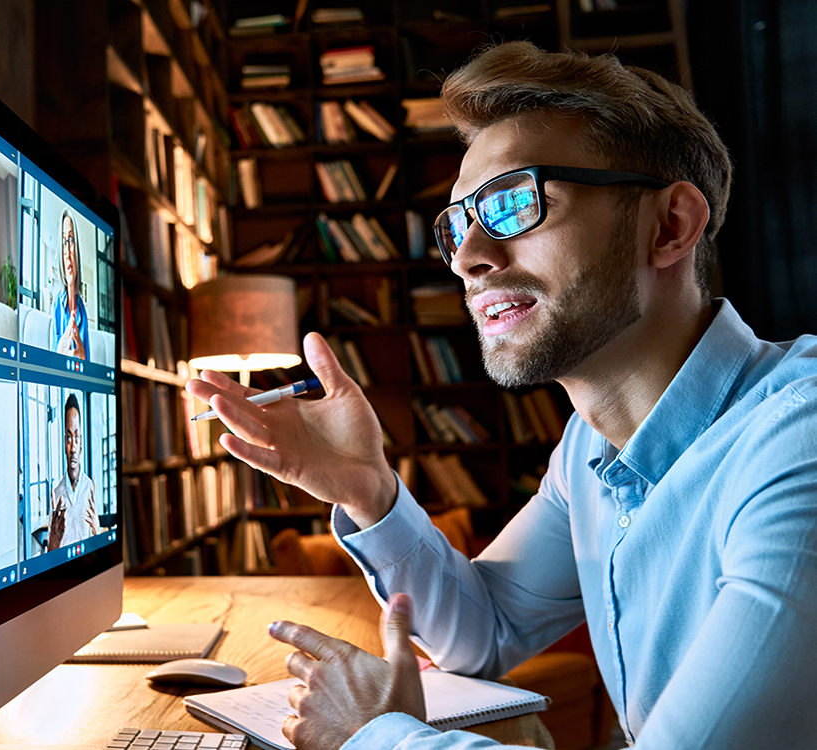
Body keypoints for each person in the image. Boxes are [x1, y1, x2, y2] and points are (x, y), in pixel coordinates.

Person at [186, 41, 817, 750]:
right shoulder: (590, 449)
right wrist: (370, 491)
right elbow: (483, 632)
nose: (467, 256)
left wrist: (374, 738)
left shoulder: (800, 441)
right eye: (456, 224)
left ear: (670, 226)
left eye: (516, 203)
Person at [47, 393, 98, 551]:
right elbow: (51, 553)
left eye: (77, 438)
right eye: (69, 438)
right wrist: (52, 544)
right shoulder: (57, 495)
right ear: (64, 444)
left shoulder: (90, 487)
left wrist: (97, 530)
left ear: (81, 443)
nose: (73, 448)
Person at [52, 210, 91, 361]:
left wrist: (83, 358)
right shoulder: (56, 304)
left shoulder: (82, 311)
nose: (67, 252)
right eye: (63, 243)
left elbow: (88, 368)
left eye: (71, 240)